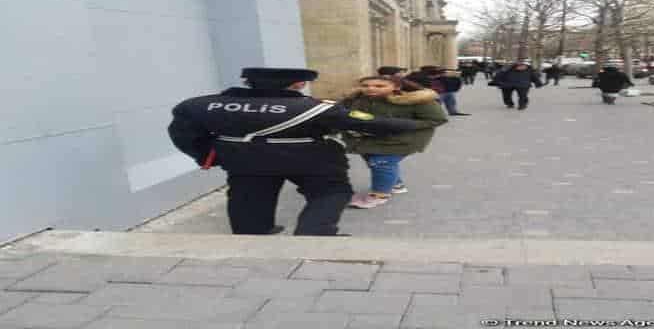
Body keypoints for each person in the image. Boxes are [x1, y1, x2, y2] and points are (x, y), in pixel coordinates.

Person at [167, 68, 418, 236]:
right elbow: (373, 123)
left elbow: (182, 134)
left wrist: (209, 155)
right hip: (311, 160)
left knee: (249, 195)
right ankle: (313, 235)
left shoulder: (201, 105)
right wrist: (415, 124)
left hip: (244, 159)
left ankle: (252, 235)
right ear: (299, 84)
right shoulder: (317, 108)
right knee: (329, 193)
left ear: (246, 82)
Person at [341, 76, 448, 209]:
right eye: (365, 86)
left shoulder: (416, 99)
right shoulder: (355, 99)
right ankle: (396, 185)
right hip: (366, 138)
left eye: (379, 86)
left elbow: (438, 119)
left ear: (396, 87)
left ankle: (379, 195)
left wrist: (400, 125)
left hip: (401, 139)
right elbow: (344, 113)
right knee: (373, 160)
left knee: (381, 162)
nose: (370, 89)